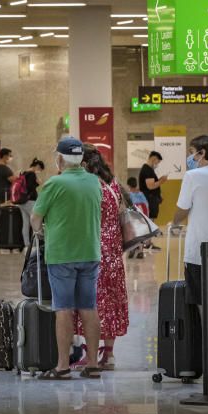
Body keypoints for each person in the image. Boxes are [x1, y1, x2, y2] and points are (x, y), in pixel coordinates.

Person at [31, 137, 103, 380]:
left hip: (62, 254)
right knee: (88, 307)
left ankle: (62, 366)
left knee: (63, 308)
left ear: (60, 158)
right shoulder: (94, 182)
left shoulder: (55, 183)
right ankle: (93, 363)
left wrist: (40, 230)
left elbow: (35, 218)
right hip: (90, 252)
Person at [74, 149, 129, 371]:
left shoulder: (89, 185)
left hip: (94, 249)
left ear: (84, 163)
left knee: (92, 302)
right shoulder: (113, 183)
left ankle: (90, 355)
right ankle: (109, 354)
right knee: (112, 301)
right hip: (114, 252)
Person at [174, 135, 208, 310]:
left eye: (192, 153)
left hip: (198, 249)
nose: (190, 158)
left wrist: (174, 221)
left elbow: (182, 209)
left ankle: (204, 337)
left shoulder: (193, 175)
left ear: (202, 153)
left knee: (201, 302)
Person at [15, 158, 45, 250]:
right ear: (37, 166)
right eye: (40, 169)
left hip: (21, 201)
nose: (39, 171)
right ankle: (35, 244)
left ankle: (27, 244)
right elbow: (30, 187)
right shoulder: (32, 174)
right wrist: (38, 183)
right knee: (35, 222)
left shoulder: (24, 173)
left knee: (26, 223)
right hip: (30, 201)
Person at [138, 151, 167, 221]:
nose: (157, 164)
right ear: (153, 158)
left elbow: (153, 183)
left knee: (151, 220)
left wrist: (158, 195)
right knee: (149, 221)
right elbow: (150, 186)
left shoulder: (150, 170)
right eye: (158, 162)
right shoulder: (147, 170)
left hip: (152, 199)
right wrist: (161, 181)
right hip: (149, 200)